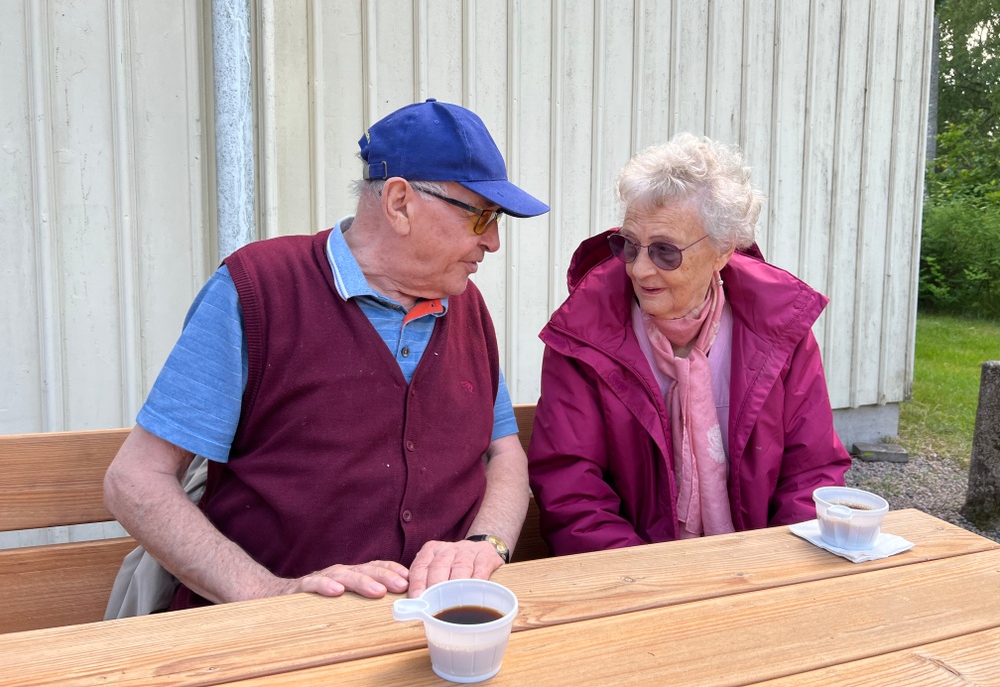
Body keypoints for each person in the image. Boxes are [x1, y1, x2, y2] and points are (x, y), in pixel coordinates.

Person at [104, 99, 549, 610]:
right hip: (274, 643)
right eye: (481, 217)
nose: (493, 242)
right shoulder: (258, 290)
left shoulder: (466, 308)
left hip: (439, 627)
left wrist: (484, 545)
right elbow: (134, 480)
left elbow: (504, 452)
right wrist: (268, 593)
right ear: (400, 202)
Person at [527, 133, 850, 556]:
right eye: (628, 245)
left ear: (722, 251)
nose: (640, 270)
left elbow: (812, 472)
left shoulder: (781, 330)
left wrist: (775, 570)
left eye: (665, 252)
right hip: (634, 577)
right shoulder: (583, 336)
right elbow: (572, 489)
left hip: (760, 570)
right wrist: (654, 584)